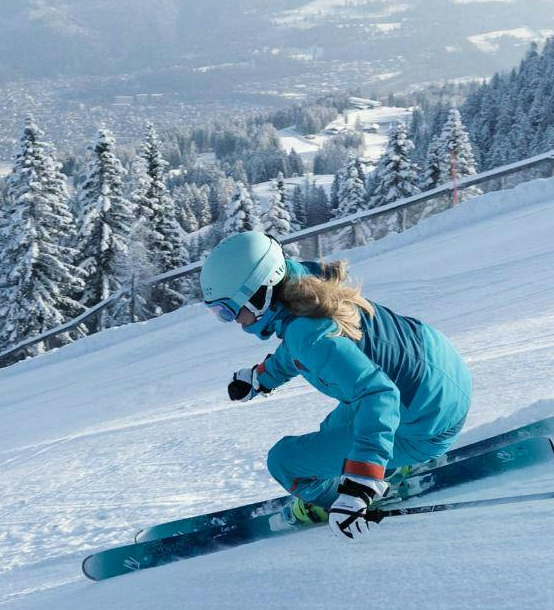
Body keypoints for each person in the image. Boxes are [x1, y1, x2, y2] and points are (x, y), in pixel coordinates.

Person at [198, 230, 471, 537]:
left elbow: (378, 394)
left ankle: (334, 500)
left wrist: (359, 485)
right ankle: (384, 464)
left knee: (286, 462)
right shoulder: (305, 288)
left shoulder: (306, 333)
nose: (232, 320)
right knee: (332, 433)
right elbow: (300, 348)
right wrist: (260, 379)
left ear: (259, 296)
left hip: (426, 423)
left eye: (227, 310)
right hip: (439, 372)